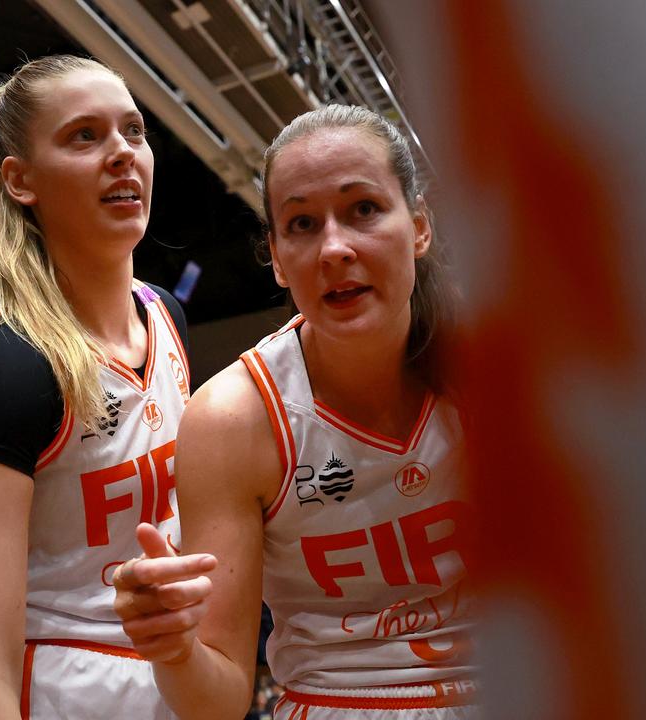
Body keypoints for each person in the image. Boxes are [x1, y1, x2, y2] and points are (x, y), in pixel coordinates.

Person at [113, 105, 475, 719]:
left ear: (418, 227)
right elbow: (220, 700)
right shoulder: (233, 418)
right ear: (278, 259)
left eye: (363, 209)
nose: (334, 248)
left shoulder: (509, 362)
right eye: (303, 223)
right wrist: (173, 651)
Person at [0, 55, 191, 720]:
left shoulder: (166, 314)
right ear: (20, 181)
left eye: (133, 132)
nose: (121, 154)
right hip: (64, 694)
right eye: (85, 136)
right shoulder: (7, 358)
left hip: (177, 680)